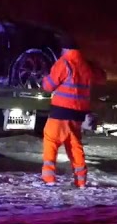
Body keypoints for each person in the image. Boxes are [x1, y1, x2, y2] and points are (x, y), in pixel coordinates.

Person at [39, 41, 106, 187]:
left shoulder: (64, 63)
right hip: (78, 114)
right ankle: (81, 181)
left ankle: (49, 180)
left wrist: (44, 78)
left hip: (60, 112)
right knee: (75, 146)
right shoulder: (85, 65)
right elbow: (101, 78)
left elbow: (48, 86)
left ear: (65, 49)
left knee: (51, 142)